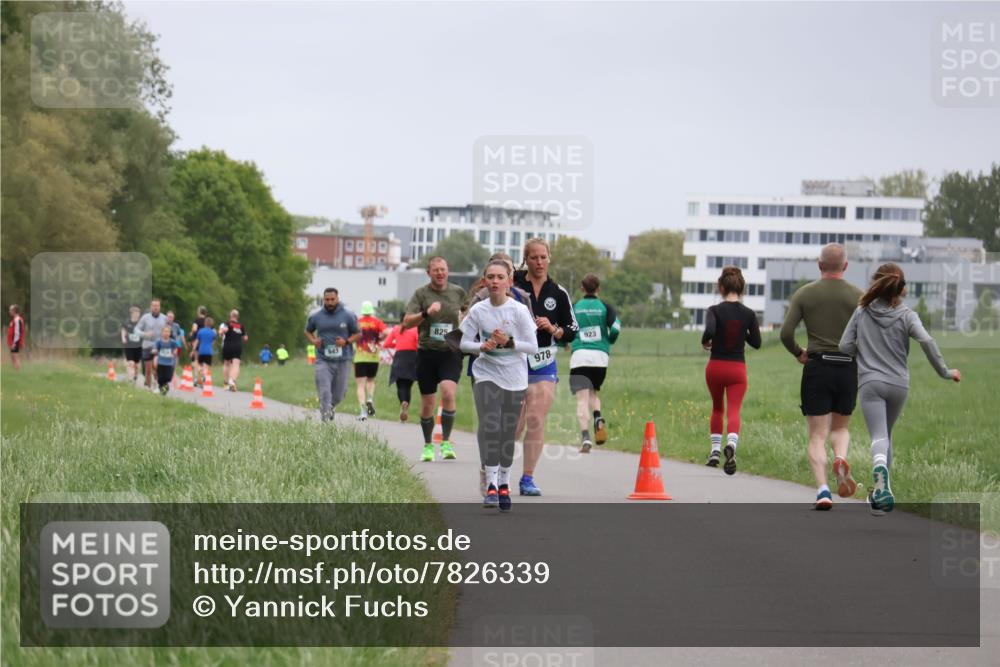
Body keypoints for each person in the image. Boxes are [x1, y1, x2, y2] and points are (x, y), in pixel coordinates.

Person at [839, 263, 961, 515]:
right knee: (887, 436)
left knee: (879, 437)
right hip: (898, 384)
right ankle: (882, 496)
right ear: (901, 288)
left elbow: (844, 346)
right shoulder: (907, 315)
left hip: (871, 382)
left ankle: (880, 478)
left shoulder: (862, 312)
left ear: (877, 283)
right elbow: (926, 340)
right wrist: (945, 372)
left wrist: (862, 349)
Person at [780, 244, 863, 510]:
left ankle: (823, 490)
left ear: (819, 265)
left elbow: (785, 333)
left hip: (818, 367)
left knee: (817, 435)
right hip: (848, 367)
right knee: (840, 428)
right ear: (845, 266)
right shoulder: (859, 297)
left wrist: (799, 352)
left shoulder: (805, 294)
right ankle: (840, 457)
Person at [459, 259, 539, 511]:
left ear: (509, 281)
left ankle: (505, 480)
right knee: (491, 424)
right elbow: (462, 342)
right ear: (484, 281)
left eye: (500, 277)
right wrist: (480, 346)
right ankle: (491, 484)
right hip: (486, 373)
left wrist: (509, 342)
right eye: (490, 277)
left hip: (515, 377)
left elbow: (533, 346)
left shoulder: (518, 311)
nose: (495, 281)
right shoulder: (479, 311)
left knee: (507, 432)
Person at [512, 238, 579, 496]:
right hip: (515, 360)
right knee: (515, 424)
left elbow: (573, 329)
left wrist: (555, 329)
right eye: (534, 258)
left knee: (536, 419)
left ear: (549, 258)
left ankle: (527, 478)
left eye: (543, 257)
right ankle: (499, 474)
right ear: (526, 260)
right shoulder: (514, 285)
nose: (539, 262)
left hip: (543, 362)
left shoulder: (558, 292)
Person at [402, 256, 467, 462]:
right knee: (428, 403)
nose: (440, 273)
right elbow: (407, 322)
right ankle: (428, 444)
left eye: (443, 269)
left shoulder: (458, 292)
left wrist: (465, 318)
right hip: (427, 353)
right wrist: (426, 313)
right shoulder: (421, 294)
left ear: (448, 271)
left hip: (450, 352)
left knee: (448, 393)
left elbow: (468, 311)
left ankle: (446, 442)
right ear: (429, 273)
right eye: (436, 270)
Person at [701, 267, 762, 474]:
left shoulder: (714, 310)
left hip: (715, 367)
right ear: (741, 288)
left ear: (721, 287)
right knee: (734, 409)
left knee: (717, 408)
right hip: (737, 369)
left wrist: (705, 341)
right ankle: (732, 445)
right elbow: (757, 342)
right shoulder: (748, 314)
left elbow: (709, 330)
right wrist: (740, 331)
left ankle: (715, 452)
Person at [570, 274, 622, 453]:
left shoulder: (576, 307)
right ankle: (598, 417)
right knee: (594, 393)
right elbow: (615, 328)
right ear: (598, 289)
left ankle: (585, 437)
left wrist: (565, 343)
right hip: (600, 356)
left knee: (582, 399)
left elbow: (567, 329)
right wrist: (610, 340)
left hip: (580, 356)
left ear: (582, 289)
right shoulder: (605, 307)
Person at [305, 288, 361, 422]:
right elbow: (308, 331)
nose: (329, 302)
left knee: (339, 394)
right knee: (324, 392)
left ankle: (330, 407)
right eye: (327, 300)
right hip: (323, 359)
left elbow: (358, 333)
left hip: (343, 360)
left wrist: (346, 341)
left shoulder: (348, 315)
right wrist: (313, 340)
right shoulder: (316, 316)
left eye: (332, 299)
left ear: (337, 299)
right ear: (323, 300)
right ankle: (325, 425)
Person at [354, 300, 388, 420]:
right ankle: (370, 398)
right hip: (373, 357)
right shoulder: (377, 322)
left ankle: (363, 411)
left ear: (363, 311)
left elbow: (351, 334)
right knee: (371, 381)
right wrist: (379, 338)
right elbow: (386, 332)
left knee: (360, 385)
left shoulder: (357, 322)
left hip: (360, 357)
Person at [384, 323, 419, 423]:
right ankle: (405, 406)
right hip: (412, 358)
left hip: (399, 357)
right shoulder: (415, 329)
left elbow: (386, 344)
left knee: (400, 386)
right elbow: (418, 343)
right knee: (408, 386)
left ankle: (403, 402)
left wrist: (397, 344)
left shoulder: (396, 329)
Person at [134, 299, 168, 390]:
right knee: (148, 370)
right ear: (151, 307)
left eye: (157, 306)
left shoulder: (164, 318)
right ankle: (149, 389)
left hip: (159, 346)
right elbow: (136, 330)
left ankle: (158, 385)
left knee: (157, 366)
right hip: (147, 345)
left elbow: (169, 331)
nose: (155, 307)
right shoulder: (145, 318)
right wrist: (144, 334)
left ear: (160, 307)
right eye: (154, 306)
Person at [219, 309, 248, 392]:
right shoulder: (241, 326)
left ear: (230, 316)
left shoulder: (227, 323)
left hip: (228, 346)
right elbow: (245, 338)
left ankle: (226, 383)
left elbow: (223, 331)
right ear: (237, 317)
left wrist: (221, 333)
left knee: (226, 363)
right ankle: (232, 381)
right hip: (237, 346)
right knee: (236, 364)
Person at [154, 326, 182, 395]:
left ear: (170, 333)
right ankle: (162, 391)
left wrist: (174, 352)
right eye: (165, 331)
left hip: (169, 363)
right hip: (160, 362)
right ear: (162, 333)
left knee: (168, 378)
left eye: (167, 331)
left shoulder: (172, 342)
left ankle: (163, 388)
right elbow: (156, 349)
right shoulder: (159, 341)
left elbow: (176, 348)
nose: (166, 333)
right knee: (160, 378)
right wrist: (154, 351)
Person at [120, 306, 142, 383]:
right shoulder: (127, 322)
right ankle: (130, 379)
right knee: (130, 363)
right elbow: (123, 330)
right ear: (131, 314)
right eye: (135, 313)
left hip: (138, 346)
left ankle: (135, 375)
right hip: (129, 345)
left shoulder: (141, 323)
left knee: (136, 364)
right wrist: (123, 338)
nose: (137, 314)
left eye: (138, 313)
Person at [195, 316, 217, 386]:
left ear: (205, 323)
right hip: (209, 351)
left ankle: (200, 373)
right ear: (211, 324)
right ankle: (204, 376)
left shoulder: (200, 331)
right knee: (206, 366)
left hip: (201, 351)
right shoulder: (213, 333)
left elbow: (197, 341)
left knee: (199, 365)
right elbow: (213, 343)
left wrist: (193, 350)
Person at [188, 306, 208, 378]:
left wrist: (191, 333)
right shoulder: (207, 321)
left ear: (199, 312)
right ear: (205, 313)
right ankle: (203, 376)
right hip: (206, 342)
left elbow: (194, 329)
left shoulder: (196, 320)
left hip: (197, 341)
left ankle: (197, 377)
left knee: (196, 359)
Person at [7, 304, 25, 371]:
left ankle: (18, 370)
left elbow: (18, 332)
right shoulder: (14, 319)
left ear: (14, 311)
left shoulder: (18, 319)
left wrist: (15, 343)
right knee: (13, 356)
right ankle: (16, 370)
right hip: (13, 342)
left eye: (10, 310)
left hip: (16, 341)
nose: (9, 311)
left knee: (15, 356)